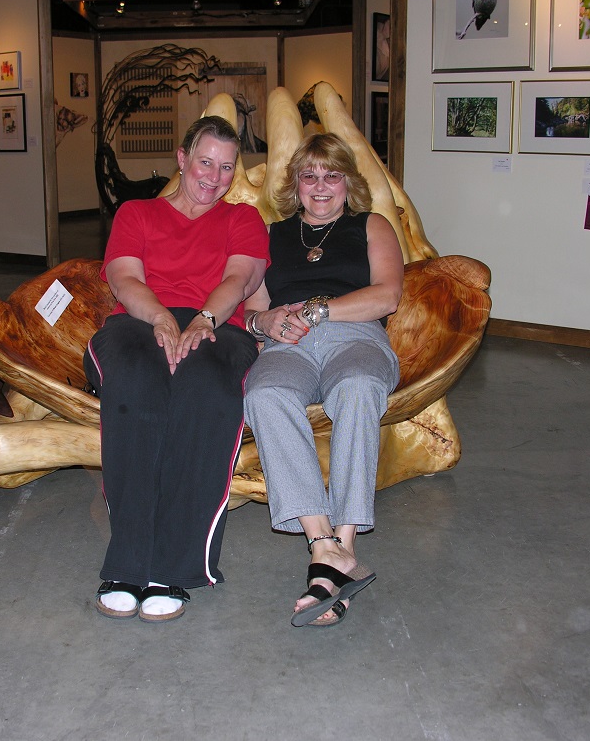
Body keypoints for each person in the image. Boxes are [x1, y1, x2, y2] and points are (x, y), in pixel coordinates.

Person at [84, 116, 269, 623]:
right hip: (138, 323)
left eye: (226, 167)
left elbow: (240, 276)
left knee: (205, 391)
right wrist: (163, 319)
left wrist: (205, 319)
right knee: (136, 387)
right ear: (182, 158)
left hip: (218, 326)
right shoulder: (137, 212)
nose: (213, 176)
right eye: (204, 162)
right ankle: (127, 563)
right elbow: (124, 278)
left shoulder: (242, 219)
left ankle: (173, 567)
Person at [243, 132, 405, 627]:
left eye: (331, 175)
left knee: (357, 387)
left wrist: (320, 310)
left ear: (347, 182)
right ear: (294, 183)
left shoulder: (370, 225)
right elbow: (252, 307)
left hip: (353, 336)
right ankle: (323, 544)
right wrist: (266, 323)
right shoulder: (272, 235)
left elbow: (388, 295)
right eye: (309, 175)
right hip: (287, 343)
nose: (320, 186)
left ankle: (345, 542)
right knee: (265, 392)